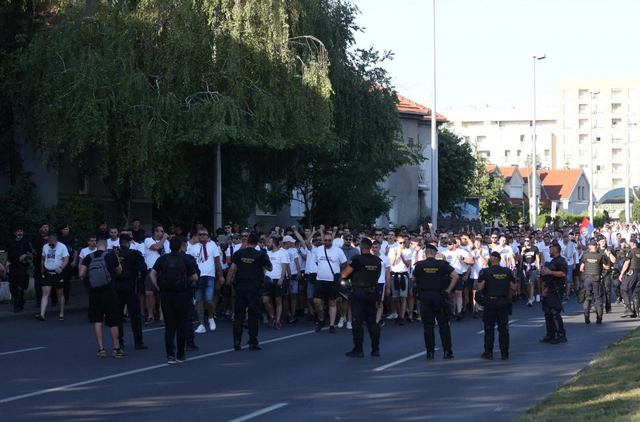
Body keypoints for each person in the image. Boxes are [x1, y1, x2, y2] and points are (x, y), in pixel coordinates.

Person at [149, 237, 198, 364]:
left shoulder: (163, 258)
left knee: (169, 326)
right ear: (181, 246)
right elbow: (195, 276)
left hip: (166, 295)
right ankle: (180, 355)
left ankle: (170, 355)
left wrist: (159, 287)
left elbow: (152, 274)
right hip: (182, 295)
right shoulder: (185, 259)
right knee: (181, 325)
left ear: (169, 246)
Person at [79, 240, 125, 358]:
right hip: (109, 292)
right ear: (105, 246)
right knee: (113, 321)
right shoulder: (111, 256)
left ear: (96, 246)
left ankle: (101, 349)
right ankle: (116, 348)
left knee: (97, 321)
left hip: (94, 293)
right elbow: (119, 270)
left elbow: (81, 273)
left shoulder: (89, 257)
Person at [226, 233, 272, 351]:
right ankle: (253, 342)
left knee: (239, 315)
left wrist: (228, 283)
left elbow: (232, 269)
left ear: (247, 242)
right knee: (253, 315)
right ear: (257, 243)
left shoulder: (239, 253)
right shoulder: (261, 254)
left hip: (240, 287)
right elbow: (270, 267)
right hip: (254, 288)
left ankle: (237, 341)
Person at [413, 244, 458, 360]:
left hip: (425, 297)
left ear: (425, 253)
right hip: (440, 297)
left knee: (428, 326)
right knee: (444, 326)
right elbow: (455, 276)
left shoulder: (420, 265)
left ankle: (430, 352)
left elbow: (413, 279)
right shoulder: (442, 265)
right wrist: (448, 290)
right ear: (435, 253)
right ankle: (447, 351)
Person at [340, 238, 382, 358]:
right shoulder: (377, 261)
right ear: (370, 247)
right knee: (372, 322)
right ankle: (375, 349)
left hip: (359, 293)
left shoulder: (357, 259)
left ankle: (358, 349)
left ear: (361, 247)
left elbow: (344, 274)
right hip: (372, 292)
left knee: (357, 322)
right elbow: (378, 275)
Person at [477, 251, 517, 360]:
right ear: (499, 259)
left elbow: (480, 287)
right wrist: (508, 296)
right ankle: (504, 353)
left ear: (491, 259)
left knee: (489, 328)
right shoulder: (507, 271)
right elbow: (514, 287)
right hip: (503, 302)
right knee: (503, 329)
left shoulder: (485, 272)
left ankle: (488, 352)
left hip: (490, 302)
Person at [186, 228, 223, 334]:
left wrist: (220, 275)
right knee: (199, 300)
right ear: (197, 235)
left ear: (208, 235)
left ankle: (211, 317)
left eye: (204, 234)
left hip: (209, 276)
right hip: (197, 276)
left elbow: (217, 262)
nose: (202, 236)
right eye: (200, 234)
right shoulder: (192, 248)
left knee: (209, 300)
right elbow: (189, 262)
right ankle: (202, 324)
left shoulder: (213, 246)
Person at [115, 233, 148, 349]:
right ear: (128, 242)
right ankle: (138, 342)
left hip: (116, 286)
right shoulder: (134, 254)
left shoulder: (113, 254)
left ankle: (119, 342)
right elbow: (144, 268)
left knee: (118, 315)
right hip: (131, 285)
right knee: (135, 315)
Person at [313, 232, 348, 333]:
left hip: (333, 281)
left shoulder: (338, 251)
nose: (327, 242)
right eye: (326, 240)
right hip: (320, 279)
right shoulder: (318, 250)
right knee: (317, 301)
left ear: (332, 240)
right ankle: (321, 320)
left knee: (332, 302)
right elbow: (317, 262)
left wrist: (340, 275)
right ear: (323, 240)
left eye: (329, 240)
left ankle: (332, 325)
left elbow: (344, 263)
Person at [539, 244, 568, 344]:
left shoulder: (561, 260)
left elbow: (563, 273)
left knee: (555, 313)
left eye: (550, 249)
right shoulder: (552, 261)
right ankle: (550, 334)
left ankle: (561, 335)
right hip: (550, 289)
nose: (549, 251)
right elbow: (548, 278)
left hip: (557, 290)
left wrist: (550, 272)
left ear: (555, 250)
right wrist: (545, 289)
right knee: (547, 313)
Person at [37, 234, 69, 321]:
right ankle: (42, 314)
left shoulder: (62, 247)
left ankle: (61, 312)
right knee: (45, 293)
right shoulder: (45, 247)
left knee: (60, 293)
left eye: (53, 244)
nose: (51, 246)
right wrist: (42, 268)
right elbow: (43, 258)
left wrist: (61, 267)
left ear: (56, 241)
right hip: (47, 272)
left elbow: (66, 259)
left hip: (58, 273)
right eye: (49, 244)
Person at [143, 225, 170, 325]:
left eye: (163, 232)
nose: (162, 233)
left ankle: (162, 316)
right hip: (151, 270)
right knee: (149, 293)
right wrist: (164, 239)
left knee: (162, 294)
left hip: (163, 271)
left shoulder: (167, 243)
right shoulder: (148, 240)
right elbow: (156, 247)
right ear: (155, 232)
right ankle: (150, 316)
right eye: (160, 231)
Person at [579, 240, 608, 324]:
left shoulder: (585, 255)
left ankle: (586, 317)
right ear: (597, 246)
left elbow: (581, 268)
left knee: (587, 299)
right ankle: (599, 318)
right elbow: (606, 267)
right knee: (598, 299)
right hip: (597, 280)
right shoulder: (600, 256)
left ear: (589, 246)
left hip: (587, 279)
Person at [7, 226, 33, 313]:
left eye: (21, 231)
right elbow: (7, 254)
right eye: (18, 231)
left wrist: (25, 255)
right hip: (13, 267)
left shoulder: (26, 242)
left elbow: (32, 253)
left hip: (22, 267)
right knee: (12, 287)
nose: (19, 233)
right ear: (14, 233)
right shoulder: (10, 242)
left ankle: (18, 304)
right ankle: (19, 301)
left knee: (20, 287)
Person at [619, 238, 640, 318]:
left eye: (629, 242)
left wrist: (621, 274)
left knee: (623, 288)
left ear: (632, 243)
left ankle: (629, 309)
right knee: (636, 292)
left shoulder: (631, 251)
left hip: (633, 272)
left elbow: (627, 263)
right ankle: (636, 312)